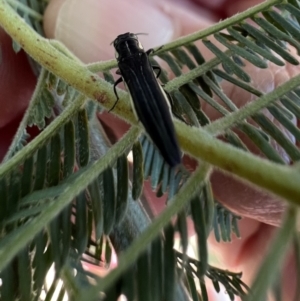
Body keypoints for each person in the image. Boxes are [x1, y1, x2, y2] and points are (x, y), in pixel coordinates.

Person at [1, 0, 298, 300]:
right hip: (153, 104)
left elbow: (126, 84)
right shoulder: (141, 61)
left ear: (120, 53)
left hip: (147, 107)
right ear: (135, 48)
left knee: (154, 118)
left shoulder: (127, 66)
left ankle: (169, 153)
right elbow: (150, 73)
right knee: (157, 114)